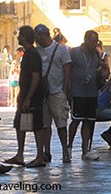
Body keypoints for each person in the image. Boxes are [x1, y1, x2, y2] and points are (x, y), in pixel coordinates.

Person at [4, 26, 46, 168]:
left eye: (20, 35)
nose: (18, 37)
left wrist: (28, 97)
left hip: (32, 96)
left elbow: (35, 76)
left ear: (25, 37)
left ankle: (40, 156)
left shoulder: (32, 54)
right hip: (26, 95)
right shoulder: (29, 53)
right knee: (19, 124)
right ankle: (20, 154)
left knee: (37, 125)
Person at [34, 23, 72, 163]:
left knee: (61, 123)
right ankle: (47, 152)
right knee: (45, 124)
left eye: (38, 37)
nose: (37, 40)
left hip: (57, 91)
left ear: (45, 35)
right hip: (43, 93)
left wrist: (65, 89)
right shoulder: (37, 51)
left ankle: (65, 151)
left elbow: (67, 69)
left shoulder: (61, 49)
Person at [68, 30, 101, 161]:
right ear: (86, 39)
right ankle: (69, 147)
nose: (94, 44)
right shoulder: (74, 52)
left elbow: (97, 69)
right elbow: (68, 69)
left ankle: (85, 150)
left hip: (91, 92)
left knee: (88, 121)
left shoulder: (96, 55)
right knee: (76, 120)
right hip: (78, 91)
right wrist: (67, 89)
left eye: (96, 42)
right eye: (92, 41)